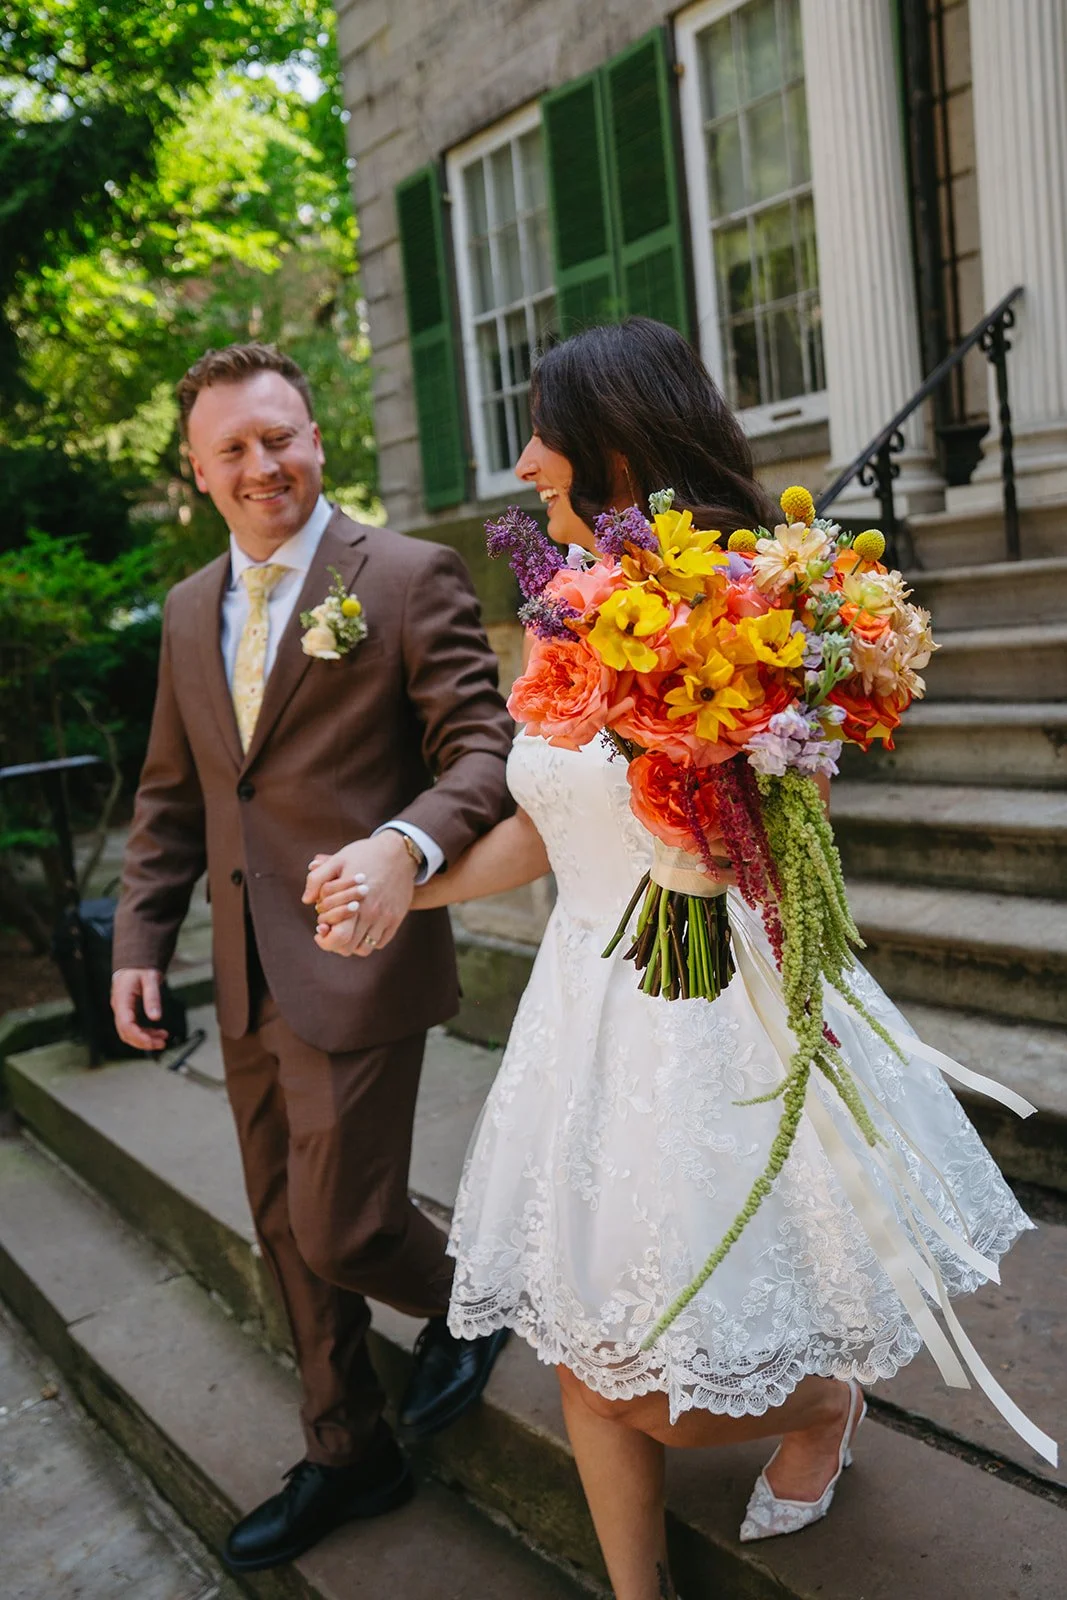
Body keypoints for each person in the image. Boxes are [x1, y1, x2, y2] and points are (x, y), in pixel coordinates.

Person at [313, 319, 1047, 1600]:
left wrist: (721, 818)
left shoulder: (753, 596)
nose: (527, 459)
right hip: (584, 1010)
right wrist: (412, 888)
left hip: (717, 1001)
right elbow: (540, 833)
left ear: (611, 441)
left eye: (546, 432)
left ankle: (820, 1406)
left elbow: (785, 807)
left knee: (679, 1391)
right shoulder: (556, 612)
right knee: (585, 1353)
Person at [111, 342, 514, 1574]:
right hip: (241, 971)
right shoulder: (189, 611)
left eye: (277, 436)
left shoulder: (400, 576)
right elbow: (174, 795)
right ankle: (349, 1449)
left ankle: (474, 1295)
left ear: (317, 437)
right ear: (197, 472)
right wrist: (142, 936)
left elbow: (483, 754)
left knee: (342, 1229)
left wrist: (404, 848)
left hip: (361, 951)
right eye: (230, 449)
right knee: (286, 1228)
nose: (260, 464)